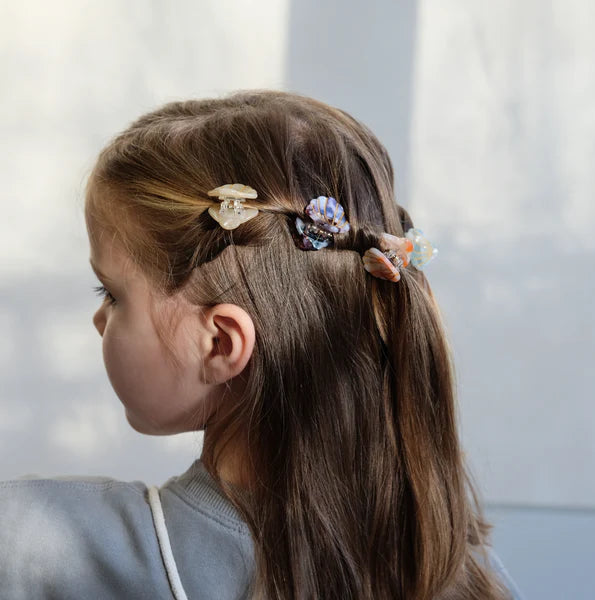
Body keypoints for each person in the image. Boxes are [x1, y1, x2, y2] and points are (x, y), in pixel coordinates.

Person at [0, 90, 526, 599]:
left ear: (220, 344)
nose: (99, 319)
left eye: (112, 294)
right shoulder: (465, 573)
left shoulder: (37, 544)